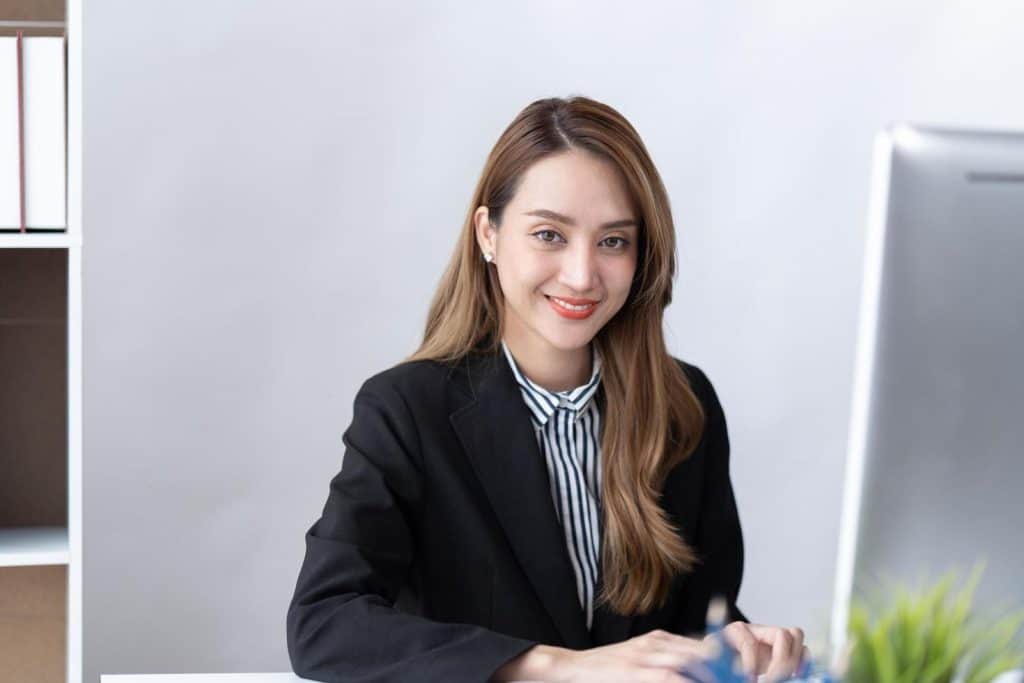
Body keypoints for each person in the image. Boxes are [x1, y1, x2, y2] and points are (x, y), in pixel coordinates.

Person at [286, 95, 810, 682]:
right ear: (489, 233)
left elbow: (694, 622)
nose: (582, 275)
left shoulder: (683, 405)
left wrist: (735, 644)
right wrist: (557, 668)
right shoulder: (408, 410)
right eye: (549, 235)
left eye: (613, 241)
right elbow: (324, 624)